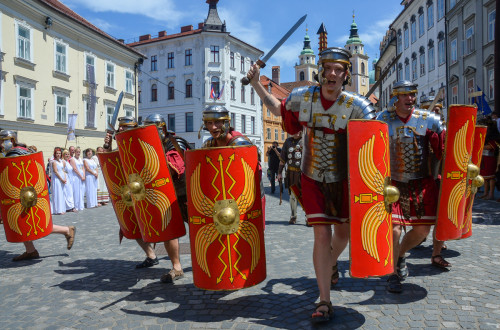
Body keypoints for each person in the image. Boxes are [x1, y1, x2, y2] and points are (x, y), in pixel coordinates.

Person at [247, 47, 375, 323]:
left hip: (344, 178)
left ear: (345, 74)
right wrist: (257, 83)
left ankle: (328, 264)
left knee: (344, 234)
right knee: (321, 235)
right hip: (312, 175)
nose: (331, 74)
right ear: (320, 71)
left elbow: (372, 144)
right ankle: (324, 300)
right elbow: (278, 109)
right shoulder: (302, 98)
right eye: (327, 68)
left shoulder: (357, 105)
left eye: (338, 69)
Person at [376, 81, 447, 294]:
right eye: (405, 95)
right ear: (395, 98)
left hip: (421, 182)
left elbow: (442, 150)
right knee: (395, 229)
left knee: (423, 230)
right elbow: (370, 148)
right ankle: (392, 274)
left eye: (413, 95)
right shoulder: (382, 120)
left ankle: (399, 256)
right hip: (393, 183)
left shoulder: (428, 121)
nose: (410, 99)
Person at [0, 130, 76, 261]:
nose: (1, 144)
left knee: (33, 223)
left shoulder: (14, 154)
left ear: (11, 140)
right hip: (22, 196)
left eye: (2, 141)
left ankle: (67, 230)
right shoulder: (22, 150)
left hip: (23, 197)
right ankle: (31, 250)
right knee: (25, 223)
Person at [104, 116, 161, 269]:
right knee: (132, 226)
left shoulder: (140, 144)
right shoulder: (120, 146)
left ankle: (172, 262)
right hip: (129, 194)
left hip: (145, 193)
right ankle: (151, 255)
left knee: (151, 225)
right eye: (120, 127)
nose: (120, 129)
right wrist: (108, 147)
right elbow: (111, 162)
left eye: (124, 127)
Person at [143, 114, 191, 283]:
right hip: (168, 197)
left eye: (153, 129)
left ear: (162, 129)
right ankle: (177, 267)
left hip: (187, 196)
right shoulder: (152, 145)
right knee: (169, 232)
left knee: (200, 231)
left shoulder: (174, 144)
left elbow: (176, 170)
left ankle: (208, 264)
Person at [277, 131, 303, 224]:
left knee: (306, 195)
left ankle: (308, 217)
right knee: (292, 196)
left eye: (298, 130)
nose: (296, 132)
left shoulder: (305, 140)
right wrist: (279, 172)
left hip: (303, 174)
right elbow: (283, 159)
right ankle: (293, 216)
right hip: (291, 173)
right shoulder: (287, 142)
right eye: (294, 130)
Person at [479, 116, 500, 200]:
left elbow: (491, 146)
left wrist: (481, 146)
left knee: (491, 177)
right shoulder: (488, 135)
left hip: (491, 158)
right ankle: (485, 193)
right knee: (485, 177)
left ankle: (491, 194)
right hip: (485, 158)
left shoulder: (494, 136)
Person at [51, 147, 68, 215]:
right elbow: (56, 171)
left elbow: (63, 170)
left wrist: (65, 178)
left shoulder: (61, 161)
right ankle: (58, 210)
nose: (58, 154)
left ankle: (62, 208)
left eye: (59, 153)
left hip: (62, 179)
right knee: (58, 194)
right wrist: (61, 179)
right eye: (57, 153)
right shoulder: (54, 162)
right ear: (55, 154)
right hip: (57, 179)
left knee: (62, 194)